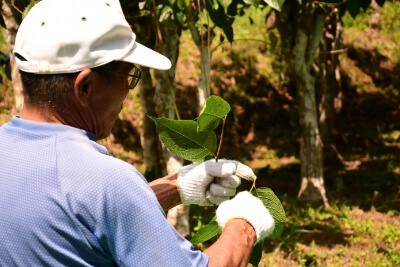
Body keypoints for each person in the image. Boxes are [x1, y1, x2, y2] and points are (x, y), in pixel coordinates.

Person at [0, 0, 275, 266]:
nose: (128, 94)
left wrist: (177, 187)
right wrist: (244, 225)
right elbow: (99, 199)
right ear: (84, 87)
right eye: (128, 76)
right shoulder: (107, 181)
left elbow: (75, 215)